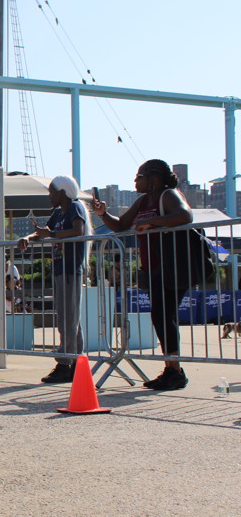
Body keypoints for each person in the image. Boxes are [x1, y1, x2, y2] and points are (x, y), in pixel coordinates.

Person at [92, 159, 193, 390]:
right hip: (154, 267)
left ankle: (175, 371)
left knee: (164, 315)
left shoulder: (168, 195)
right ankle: (172, 369)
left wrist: (150, 222)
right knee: (161, 316)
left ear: (153, 179)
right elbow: (121, 225)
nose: (135, 181)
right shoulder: (143, 200)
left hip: (172, 266)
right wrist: (103, 214)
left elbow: (185, 216)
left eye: (139, 177)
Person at [18, 175, 91, 384]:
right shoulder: (58, 213)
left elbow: (77, 230)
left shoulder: (75, 207)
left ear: (62, 193)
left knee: (67, 319)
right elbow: (44, 232)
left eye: (51, 192)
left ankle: (64, 363)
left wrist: (52, 234)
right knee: (69, 318)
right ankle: (76, 362)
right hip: (60, 268)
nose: (49, 196)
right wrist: (27, 238)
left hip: (70, 269)